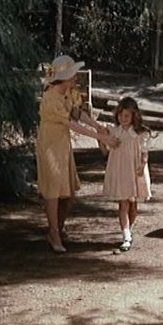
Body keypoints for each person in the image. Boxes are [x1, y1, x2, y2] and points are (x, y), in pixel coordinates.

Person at [36, 55, 119, 253]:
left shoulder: (69, 93)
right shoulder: (50, 99)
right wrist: (101, 138)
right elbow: (71, 124)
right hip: (50, 146)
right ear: (64, 77)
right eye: (72, 75)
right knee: (53, 192)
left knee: (69, 193)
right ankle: (54, 232)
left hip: (62, 145)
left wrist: (98, 126)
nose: (75, 78)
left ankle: (58, 228)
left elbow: (77, 114)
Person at [102, 96, 155, 252]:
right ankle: (125, 234)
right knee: (123, 202)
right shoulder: (115, 132)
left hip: (134, 169)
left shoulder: (140, 134)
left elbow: (145, 153)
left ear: (134, 116)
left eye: (126, 116)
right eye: (120, 115)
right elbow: (104, 146)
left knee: (133, 202)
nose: (123, 119)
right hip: (120, 170)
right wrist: (102, 141)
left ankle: (128, 230)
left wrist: (142, 165)